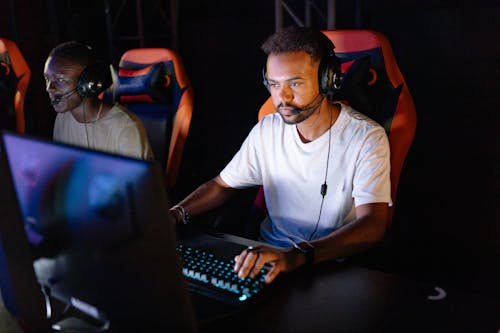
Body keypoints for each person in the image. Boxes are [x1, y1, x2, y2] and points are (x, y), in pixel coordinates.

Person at [170, 26, 391, 284]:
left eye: (294, 83)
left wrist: (295, 256)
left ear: (328, 79)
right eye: (274, 84)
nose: (282, 98)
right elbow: (221, 185)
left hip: (329, 265)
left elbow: (374, 225)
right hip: (266, 258)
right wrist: (174, 214)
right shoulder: (268, 129)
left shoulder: (366, 137)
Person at [44, 41, 154, 160]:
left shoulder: (126, 128)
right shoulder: (63, 118)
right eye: (47, 78)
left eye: (60, 81)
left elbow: (134, 179)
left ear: (88, 84)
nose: (49, 88)